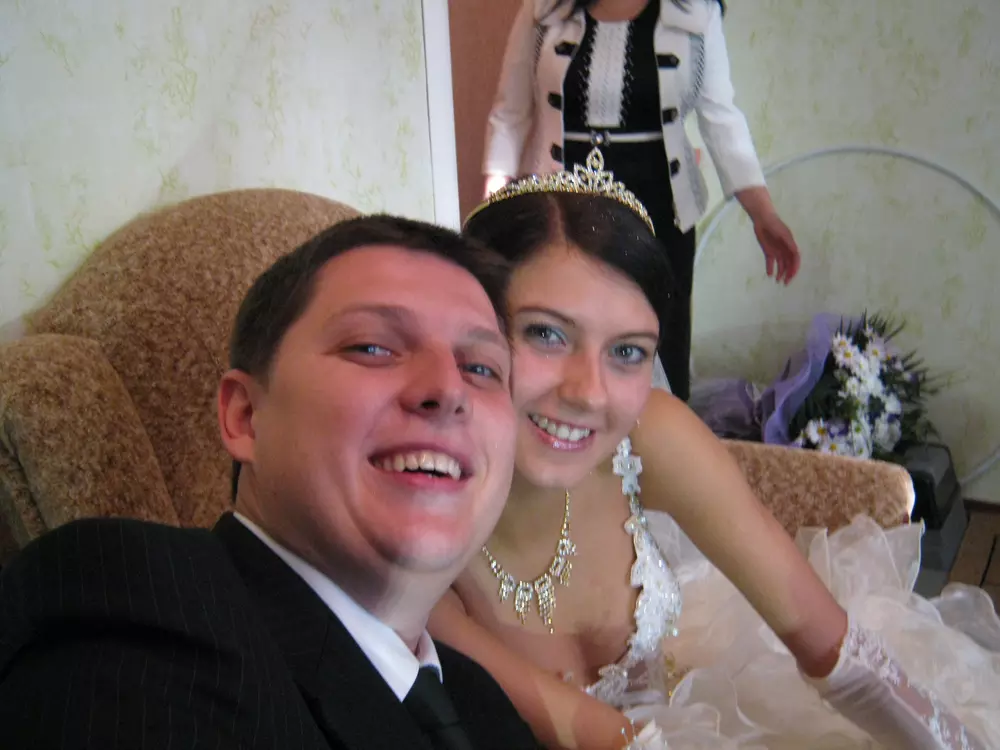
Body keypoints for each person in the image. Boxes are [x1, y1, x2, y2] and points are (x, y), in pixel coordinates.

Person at [428, 154, 1000, 749]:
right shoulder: (416, 533)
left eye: (627, 351)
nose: (589, 393)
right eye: (546, 333)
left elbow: (829, 644)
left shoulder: (650, 435)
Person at [0, 216, 542, 750]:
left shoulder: (478, 699)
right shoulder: (133, 606)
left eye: (481, 368)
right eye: (371, 347)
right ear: (245, 417)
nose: (449, 389)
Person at [483, 0, 801, 402]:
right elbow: (509, 114)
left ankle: (659, 437)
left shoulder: (697, 11)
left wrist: (763, 213)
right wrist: (492, 211)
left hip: (660, 210)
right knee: (563, 326)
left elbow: (721, 116)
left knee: (655, 339)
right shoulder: (544, 8)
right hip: (564, 206)